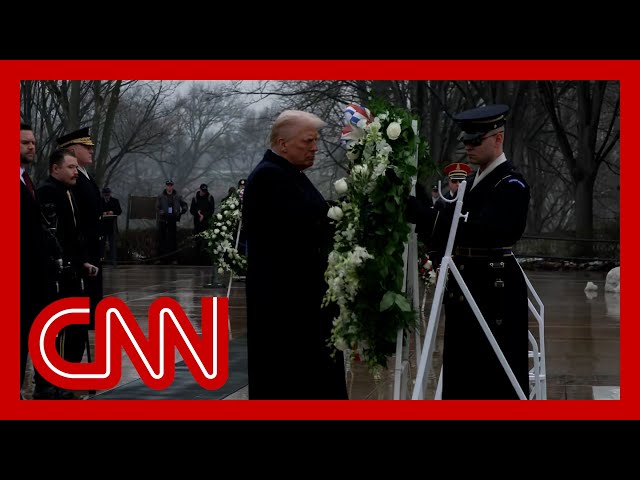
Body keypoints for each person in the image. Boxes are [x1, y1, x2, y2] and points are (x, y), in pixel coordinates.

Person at [408, 104, 530, 400]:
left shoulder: (510, 183)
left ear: (498, 138)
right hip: (469, 286)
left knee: (492, 375)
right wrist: (419, 205)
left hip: (492, 289)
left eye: (476, 140)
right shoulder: (476, 180)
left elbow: (487, 230)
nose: (468, 146)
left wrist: (428, 217)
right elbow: (449, 218)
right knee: (463, 371)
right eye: (466, 140)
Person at [242, 110, 348, 400]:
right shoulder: (270, 177)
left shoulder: (288, 174)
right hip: (286, 310)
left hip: (298, 304)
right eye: (308, 141)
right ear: (283, 143)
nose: (315, 147)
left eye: (315, 140)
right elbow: (301, 227)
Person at [37, 148, 100, 398]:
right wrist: (63, 262)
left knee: (76, 325)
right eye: (71, 168)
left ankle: (67, 377)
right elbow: (51, 234)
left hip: (74, 268)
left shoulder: (69, 192)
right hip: (59, 272)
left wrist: (82, 261)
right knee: (61, 328)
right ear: (56, 169)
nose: (76, 172)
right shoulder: (48, 193)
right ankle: (53, 382)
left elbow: (74, 234)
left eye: (76, 167)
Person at [20, 123, 61, 399]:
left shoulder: (26, 180)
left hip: (33, 273)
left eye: (33, 142)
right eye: (25, 142)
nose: (32, 147)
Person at [58, 127, 103, 339]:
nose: (91, 151)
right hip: (83, 250)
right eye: (86, 147)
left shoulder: (85, 175)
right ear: (73, 150)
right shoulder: (73, 180)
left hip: (93, 249)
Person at [156, 180, 188, 264]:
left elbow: (184, 204)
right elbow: (157, 207)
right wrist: (161, 212)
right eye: (168, 185)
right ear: (166, 186)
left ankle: (173, 259)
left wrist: (184, 209)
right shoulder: (160, 196)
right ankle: (160, 259)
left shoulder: (177, 196)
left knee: (173, 239)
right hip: (163, 219)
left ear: (172, 186)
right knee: (161, 239)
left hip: (173, 219)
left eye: (171, 185)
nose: (169, 187)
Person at [190, 183, 216, 265]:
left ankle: (206, 261)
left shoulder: (210, 197)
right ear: (200, 190)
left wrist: (203, 215)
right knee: (197, 243)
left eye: (205, 191)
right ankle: (197, 261)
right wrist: (198, 214)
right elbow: (191, 210)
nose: (204, 192)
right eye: (203, 191)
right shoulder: (195, 198)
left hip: (206, 224)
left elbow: (211, 210)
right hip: (197, 224)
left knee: (207, 243)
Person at [99, 187, 122, 267]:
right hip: (102, 227)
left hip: (112, 227)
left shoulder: (115, 201)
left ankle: (113, 261)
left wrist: (113, 212)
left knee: (113, 244)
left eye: (108, 194)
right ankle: (101, 260)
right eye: (105, 194)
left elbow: (119, 211)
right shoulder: (99, 201)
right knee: (101, 244)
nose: (106, 196)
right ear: (103, 194)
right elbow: (96, 210)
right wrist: (103, 213)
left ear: (110, 194)